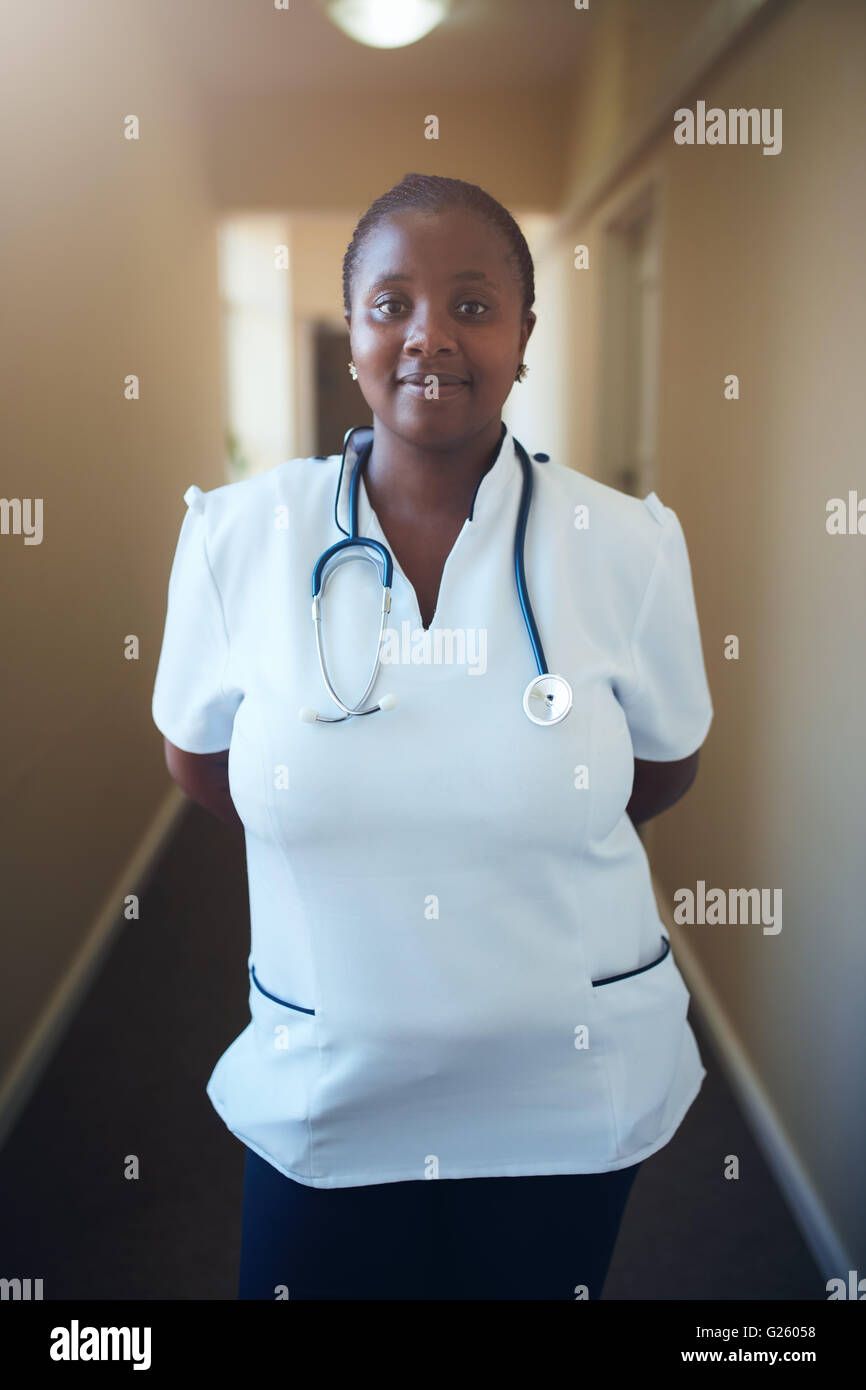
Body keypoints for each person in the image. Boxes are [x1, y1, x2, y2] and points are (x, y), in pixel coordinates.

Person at [152, 172, 713, 1301]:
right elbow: (202, 763)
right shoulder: (237, 538)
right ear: (352, 331)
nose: (428, 338)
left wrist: (506, 807)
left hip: (564, 1089)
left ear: (521, 337)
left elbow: (658, 768)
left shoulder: (625, 544)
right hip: (329, 1083)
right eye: (390, 303)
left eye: (470, 304)